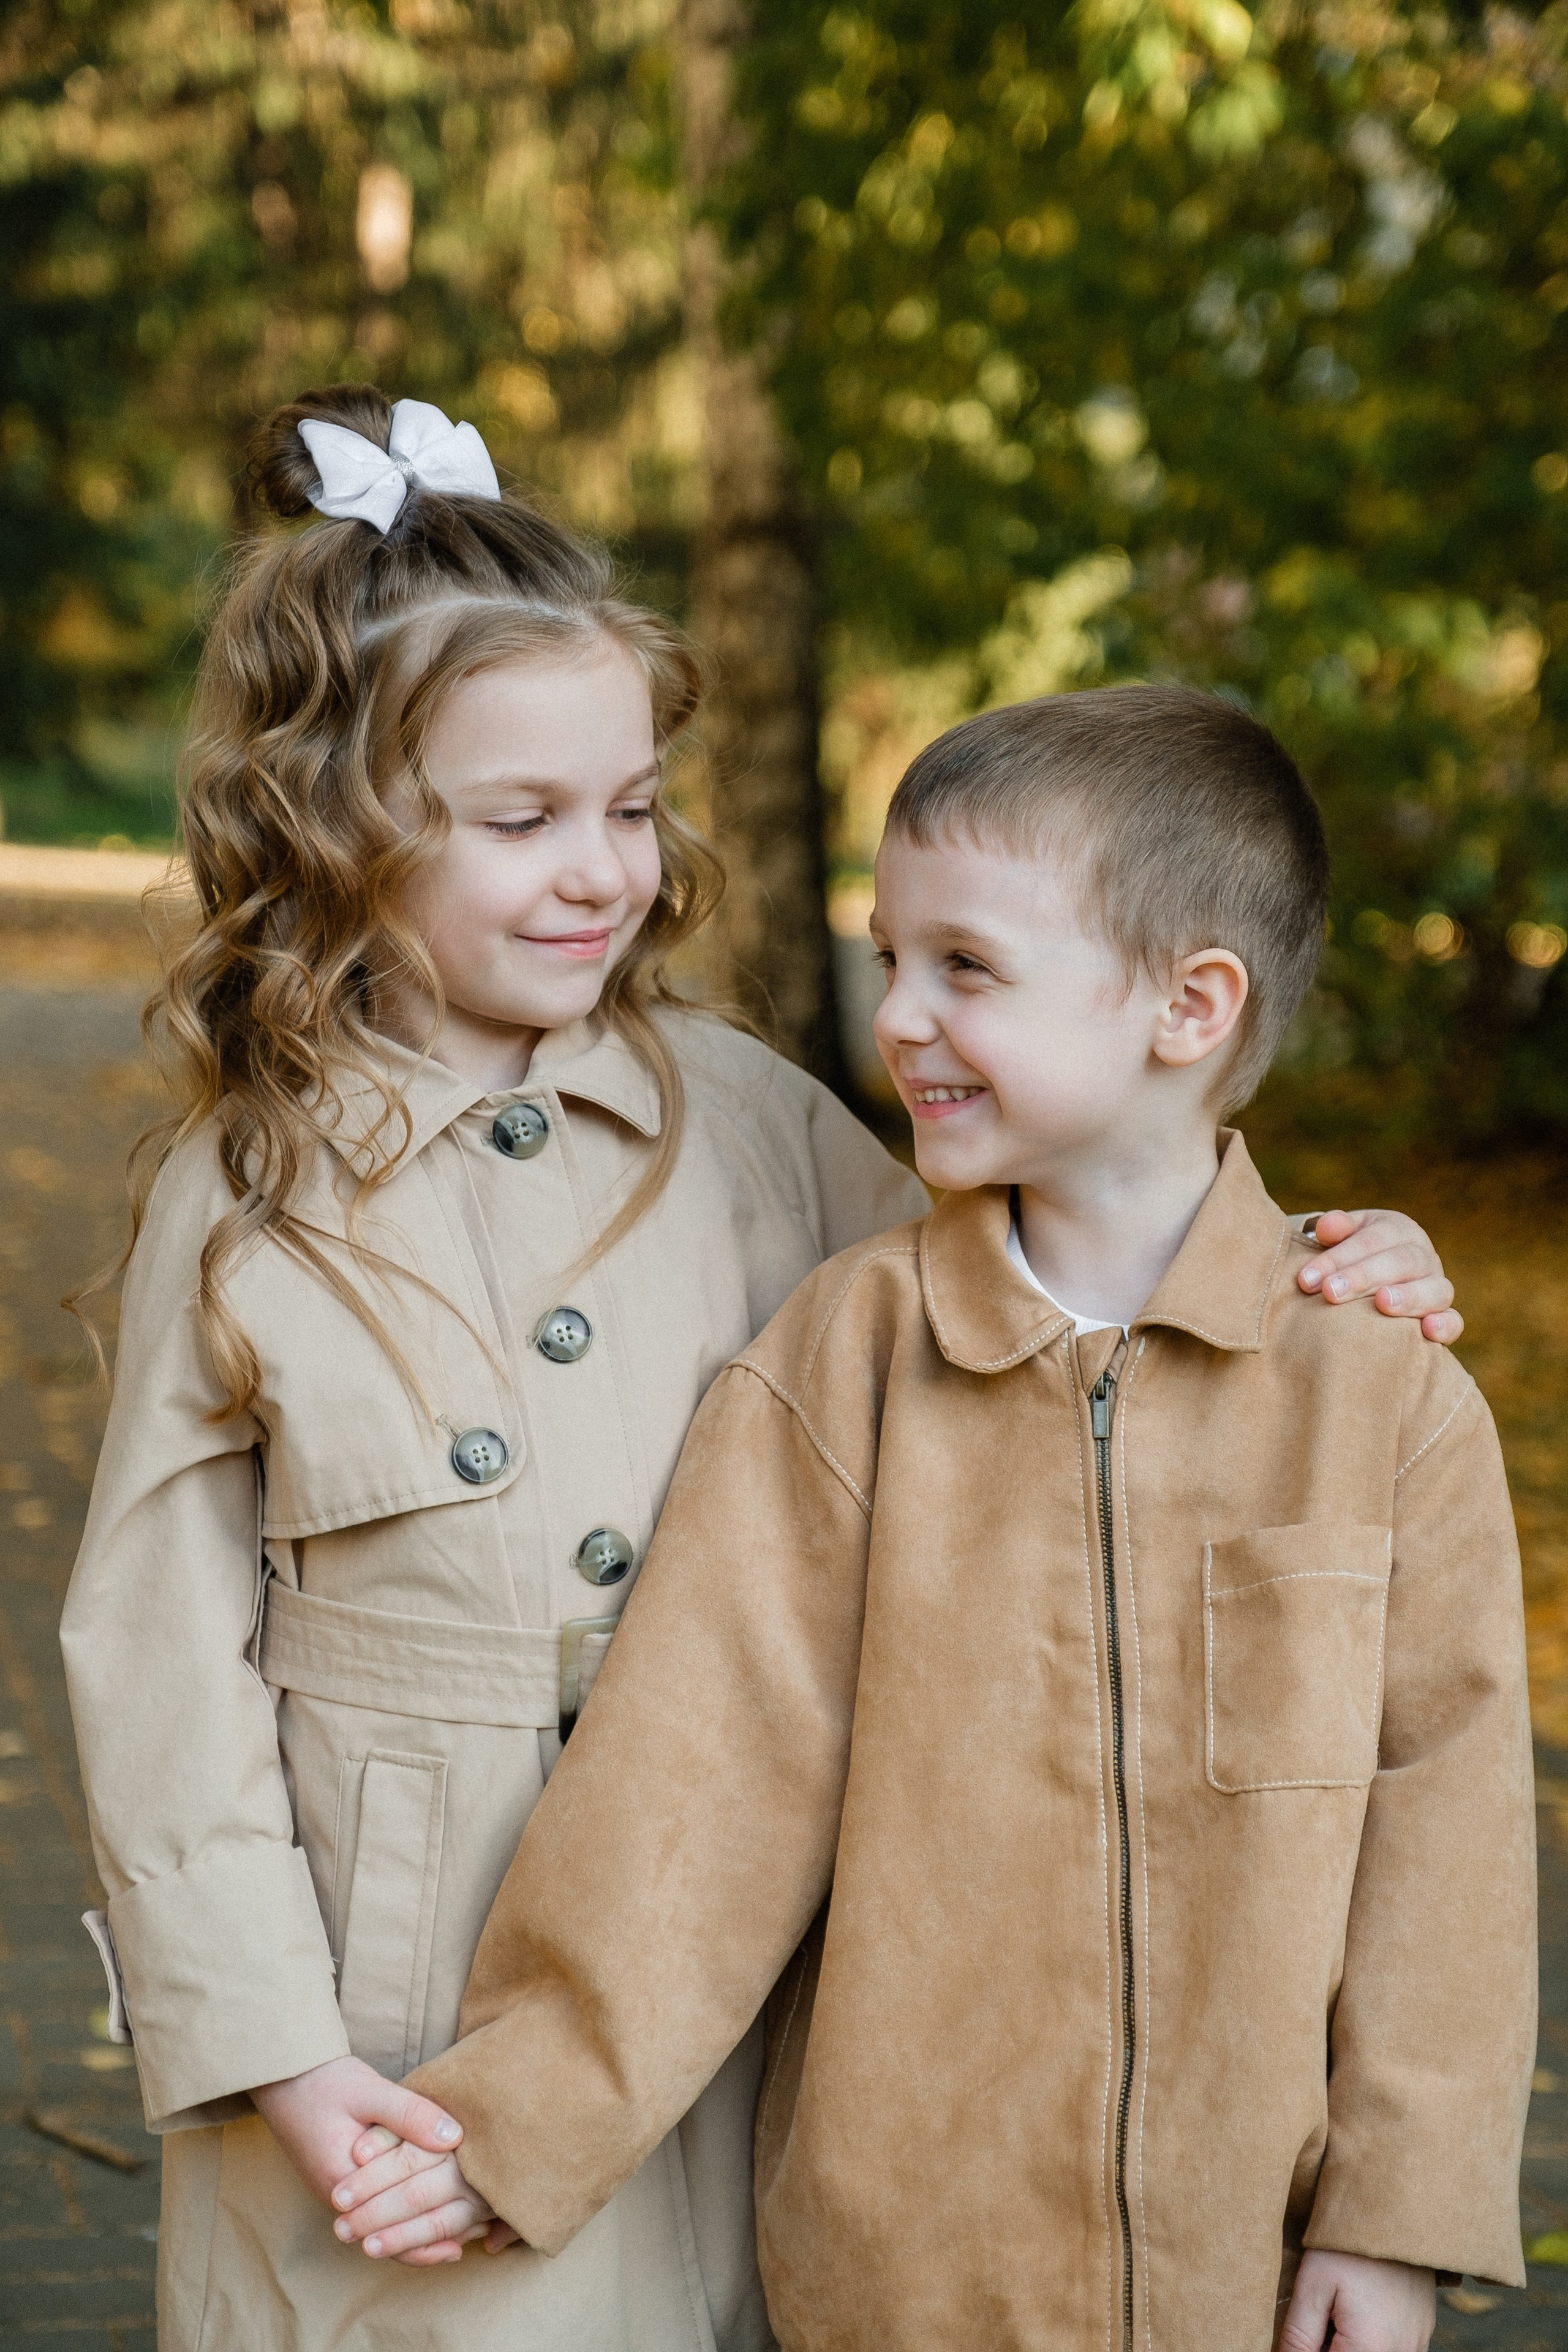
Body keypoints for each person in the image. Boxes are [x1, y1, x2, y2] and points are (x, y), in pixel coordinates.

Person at [352, 687, 1536, 2352]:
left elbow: (1450, 1851)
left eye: (965, 967)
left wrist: (1397, 2220)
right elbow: (703, 1777)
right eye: (890, 955)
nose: (898, 1013)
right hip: (897, 2269)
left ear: (1190, 1005)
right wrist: (518, 2124)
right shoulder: (853, 1358)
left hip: (1247, 2272)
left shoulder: (1382, 1396)